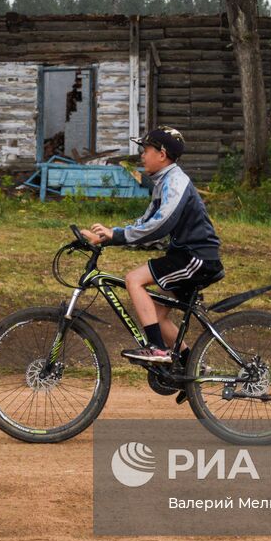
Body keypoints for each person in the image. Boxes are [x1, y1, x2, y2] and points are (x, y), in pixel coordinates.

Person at [82, 126, 223, 364]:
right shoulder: (163, 182)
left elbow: (161, 225)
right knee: (156, 317)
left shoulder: (176, 182)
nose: (142, 155)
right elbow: (146, 222)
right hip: (186, 256)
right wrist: (109, 236)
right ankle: (190, 368)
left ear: (162, 154)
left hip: (196, 258)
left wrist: (117, 236)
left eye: (145, 149)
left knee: (133, 279)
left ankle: (156, 349)